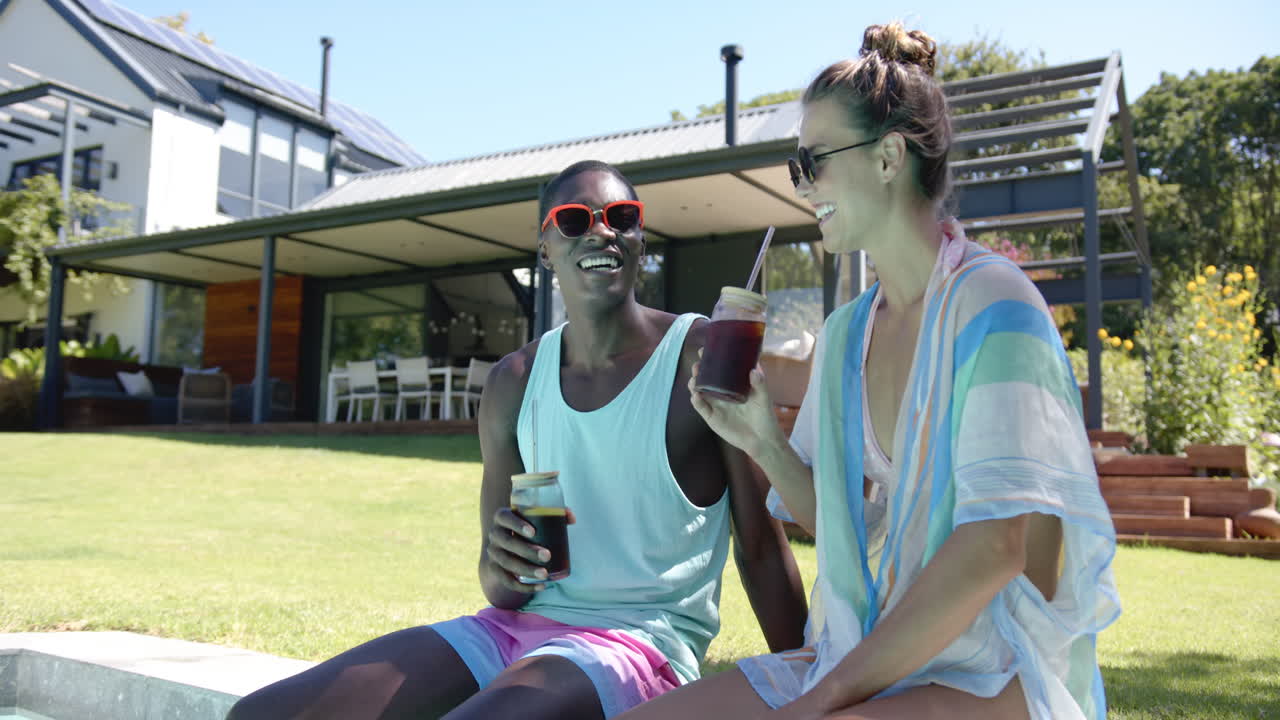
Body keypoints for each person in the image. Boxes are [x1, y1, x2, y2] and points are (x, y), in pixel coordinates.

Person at [617, 22, 1120, 720]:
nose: (804, 184)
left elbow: (996, 545)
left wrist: (825, 696)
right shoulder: (847, 334)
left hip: (992, 666)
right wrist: (762, 440)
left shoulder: (995, 307)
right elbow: (852, 525)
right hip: (868, 652)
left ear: (888, 158)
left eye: (814, 160)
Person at [226, 160, 807, 720]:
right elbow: (500, 586)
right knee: (260, 714)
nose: (601, 231)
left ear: (640, 239)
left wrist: (812, 686)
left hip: (640, 646)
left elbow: (759, 544)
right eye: (575, 220)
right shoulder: (514, 382)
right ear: (545, 247)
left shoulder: (699, 355)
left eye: (622, 217)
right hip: (512, 633)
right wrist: (505, 564)